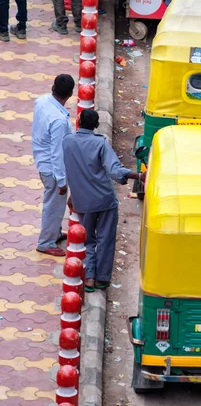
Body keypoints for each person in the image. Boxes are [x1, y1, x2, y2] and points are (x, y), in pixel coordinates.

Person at [62, 109, 145, 292]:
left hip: (82, 201)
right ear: (96, 125)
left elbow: (71, 170)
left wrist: (72, 194)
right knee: (105, 239)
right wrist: (138, 175)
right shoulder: (100, 143)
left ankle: (89, 277)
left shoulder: (67, 142)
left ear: (79, 122)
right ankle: (102, 278)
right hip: (104, 200)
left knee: (87, 240)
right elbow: (115, 170)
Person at [32, 75, 75, 256]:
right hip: (52, 168)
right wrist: (62, 181)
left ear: (52, 87)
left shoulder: (41, 101)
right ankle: (46, 242)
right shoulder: (59, 121)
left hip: (42, 160)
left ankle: (54, 233)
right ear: (71, 94)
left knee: (55, 204)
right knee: (54, 205)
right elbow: (57, 153)